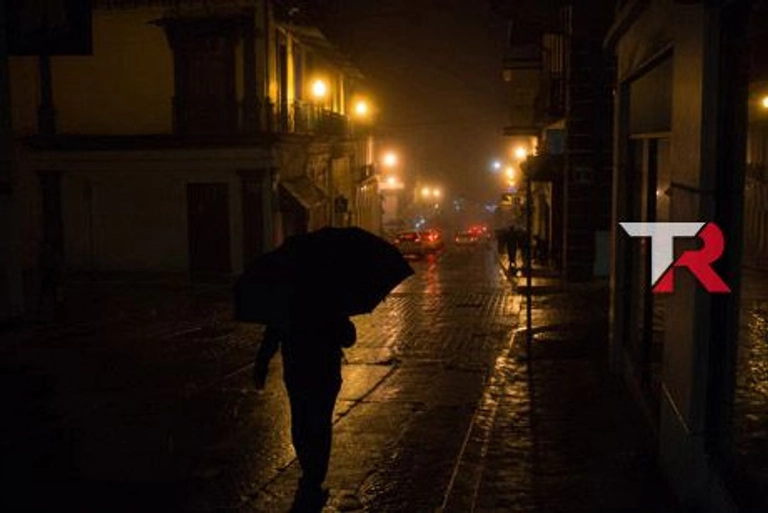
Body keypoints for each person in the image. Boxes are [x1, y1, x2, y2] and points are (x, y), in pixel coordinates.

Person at [253, 313, 356, 512]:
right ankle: (315, 472)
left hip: (297, 369)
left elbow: (273, 332)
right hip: (325, 370)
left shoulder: (288, 302)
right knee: (320, 423)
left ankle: (311, 469)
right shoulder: (330, 302)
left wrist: (262, 362)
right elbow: (348, 338)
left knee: (301, 421)